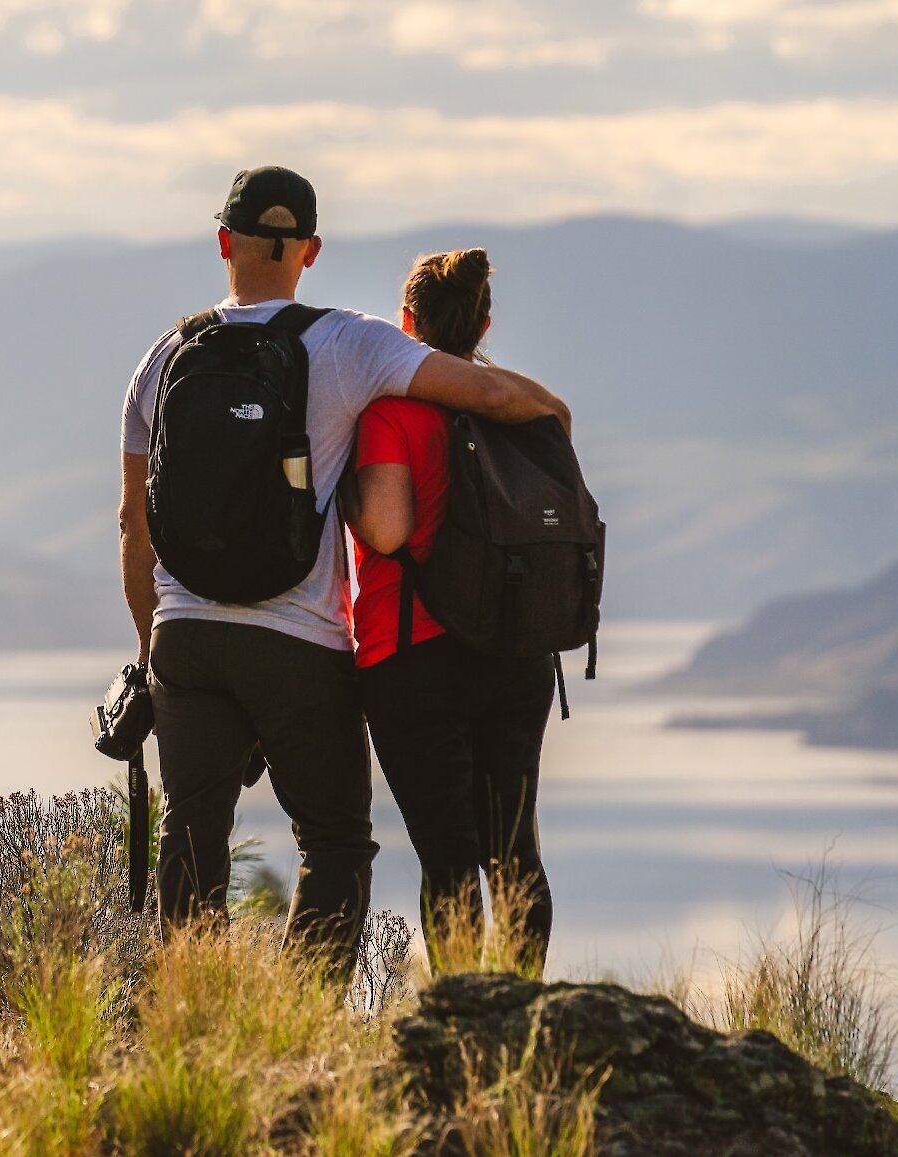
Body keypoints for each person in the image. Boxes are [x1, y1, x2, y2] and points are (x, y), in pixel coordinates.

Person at [117, 167, 569, 976]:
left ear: (225, 242)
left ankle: (193, 1022)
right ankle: (300, 1019)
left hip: (183, 633)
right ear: (311, 251)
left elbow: (133, 524)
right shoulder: (348, 344)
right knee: (332, 842)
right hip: (301, 638)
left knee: (191, 834)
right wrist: (549, 411)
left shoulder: (162, 357)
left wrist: (152, 655)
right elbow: (482, 391)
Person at [347, 248, 557, 976]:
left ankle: (467, 1022)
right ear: (484, 323)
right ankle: (523, 1009)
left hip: (413, 658)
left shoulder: (391, 413)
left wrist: (343, 493)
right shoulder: (516, 409)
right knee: (514, 850)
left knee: (449, 857)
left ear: (406, 322)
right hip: (516, 650)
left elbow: (389, 529)